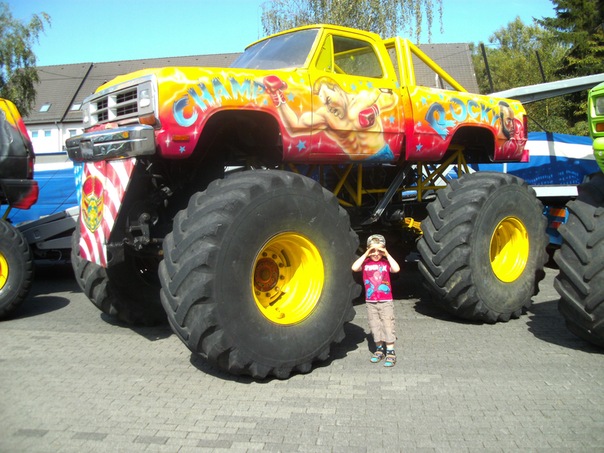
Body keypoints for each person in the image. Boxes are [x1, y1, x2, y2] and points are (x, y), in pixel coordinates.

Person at [351, 234, 401, 367]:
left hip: (386, 301)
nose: (376, 253)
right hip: (371, 301)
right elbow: (354, 268)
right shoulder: (366, 263)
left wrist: (387, 254)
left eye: (380, 250)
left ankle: (390, 351)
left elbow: (396, 269)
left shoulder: (385, 263)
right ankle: (379, 350)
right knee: (374, 326)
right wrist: (366, 253)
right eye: (373, 250)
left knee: (388, 325)